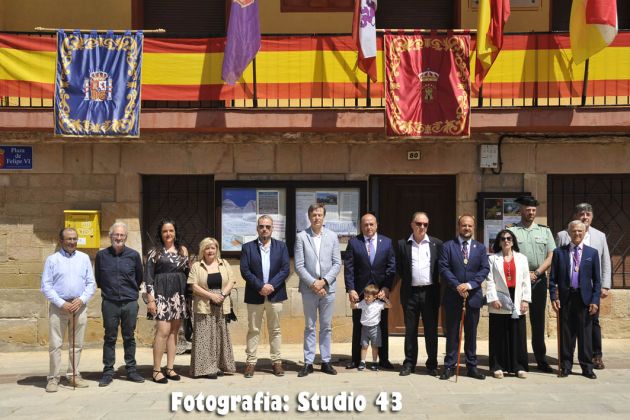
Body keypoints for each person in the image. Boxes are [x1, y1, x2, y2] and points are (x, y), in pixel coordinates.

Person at [556, 203, 611, 370]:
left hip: (591, 289)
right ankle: (568, 360)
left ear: (592, 217)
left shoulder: (600, 236)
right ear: (576, 215)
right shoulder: (563, 235)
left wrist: (605, 285)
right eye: (582, 214)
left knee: (592, 323)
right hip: (569, 290)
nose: (585, 217)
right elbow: (558, 262)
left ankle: (596, 356)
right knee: (569, 326)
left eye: (588, 214)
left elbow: (605, 261)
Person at [41, 227, 96, 392]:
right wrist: (61, 303)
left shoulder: (84, 258)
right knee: (55, 344)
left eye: (74, 239)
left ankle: (73, 375)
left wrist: (81, 299)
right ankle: (53, 378)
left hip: (79, 306)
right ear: (61, 241)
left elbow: (91, 283)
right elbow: (46, 286)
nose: (72, 242)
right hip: (59, 307)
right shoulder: (52, 260)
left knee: (77, 344)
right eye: (69, 239)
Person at [508, 195, 556, 373]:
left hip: (538, 280)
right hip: (518, 280)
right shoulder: (512, 231)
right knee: (516, 318)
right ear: (521, 210)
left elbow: (551, 255)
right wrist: (524, 274)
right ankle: (516, 359)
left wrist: (537, 273)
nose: (531, 212)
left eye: (533, 210)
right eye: (528, 209)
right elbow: (507, 254)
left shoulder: (545, 231)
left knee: (538, 321)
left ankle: (541, 359)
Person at [438, 214, 489, 380]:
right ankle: (449, 366)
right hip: (453, 296)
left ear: (473, 228)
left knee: (471, 334)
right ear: (458, 227)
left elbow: (484, 269)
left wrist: (470, 284)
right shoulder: (448, 246)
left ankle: (472, 366)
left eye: (470, 226)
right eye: (464, 225)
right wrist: (457, 285)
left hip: (473, 297)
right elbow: (443, 268)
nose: (467, 228)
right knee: (452, 333)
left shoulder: (480, 248)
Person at [94, 222, 145, 386]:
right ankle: (108, 371)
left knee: (129, 337)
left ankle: (131, 370)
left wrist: (130, 292)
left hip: (129, 302)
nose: (119, 237)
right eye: (116, 234)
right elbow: (98, 279)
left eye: (122, 235)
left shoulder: (134, 255)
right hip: (110, 302)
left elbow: (139, 277)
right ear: (110, 236)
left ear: (126, 237)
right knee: (110, 337)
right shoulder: (101, 256)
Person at [294, 203, 342, 377]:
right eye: (314, 215)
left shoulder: (332, 236)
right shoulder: (301, 237)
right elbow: (299, 266)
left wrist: (324, 282)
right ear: (309, 217)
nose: (317, 218)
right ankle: (308, 362)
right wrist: (314, 284)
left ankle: (326, 361)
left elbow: (337, 263)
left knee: (326, 327)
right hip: (309, 289)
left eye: (319, 215)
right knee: (310, 326)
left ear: (324, 217)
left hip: (328, 288)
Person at [240, 215, 290, 378]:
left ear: (272, 228)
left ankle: (276, 362)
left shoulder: (281, 246)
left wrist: (271, 286)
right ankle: (250, 362)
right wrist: (260, 286)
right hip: (255, 294)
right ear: (257, 228)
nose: (264, 229)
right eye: (261, 226)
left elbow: (285, 269)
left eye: (268, 227)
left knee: (275, 329)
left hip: (275, 295)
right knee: (253, 329)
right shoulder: (248, 247)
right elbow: (245, 270)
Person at [344, 213, 396, 370]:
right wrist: (351, 289)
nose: (368, 227)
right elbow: (349, 268)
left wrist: (386, 287)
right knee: (358, 326)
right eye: (365, 224)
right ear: (361, 226)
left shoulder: (386, 242)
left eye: (371, 224)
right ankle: (356, 360)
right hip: (360, 292)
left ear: (377, 225)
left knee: (382, 326)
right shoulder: (354, 242)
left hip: (380, 292)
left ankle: (383, 359)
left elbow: (391, 267)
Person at [550, 220, 601, 379]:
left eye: (580, 231)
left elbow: (597, 281)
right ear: (569, 233)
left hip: (584, 298)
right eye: (574, 231)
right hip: (566, 298)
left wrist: (595, 300)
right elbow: (552, 279)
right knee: (566, 334)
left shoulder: (592, 253)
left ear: (585, 232)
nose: (577, 233)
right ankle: (566, 366)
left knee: (585, 334)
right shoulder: (559, 252)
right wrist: (554, 297)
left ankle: (587, 367)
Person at [396, 211, 443, 377]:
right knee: (410, 330)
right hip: (410, 293)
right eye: (418, 224)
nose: (422, 227)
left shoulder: (436, 244)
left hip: (430, 293)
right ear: (412, 224)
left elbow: (441, 267)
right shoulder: (402, 244)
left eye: (425, 224)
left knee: (431, 330)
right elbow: (399, 268)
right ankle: (409, 363)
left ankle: (432, 364)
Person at [145, 218, 189, 384]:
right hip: (161, 295)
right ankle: (156, 370)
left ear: (175, 232)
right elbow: (148, 277)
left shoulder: (182, 250)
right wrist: (151, 300)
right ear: (160, 233)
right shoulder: (154, 252)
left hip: (178, 294)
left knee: (174, 332)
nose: (168, 234)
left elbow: (188, 272)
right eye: (165, 231)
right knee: (163, 331)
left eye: (171, 230)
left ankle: (170, 368)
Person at [485, 229, 531, 379]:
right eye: (503, 239)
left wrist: (525, 299)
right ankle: (497, 366)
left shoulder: (522, 258)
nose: (506, 241)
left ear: (513, 241)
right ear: (499, 242)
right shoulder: (493, 259)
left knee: (517, 333)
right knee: (498, 334)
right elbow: (490, 280)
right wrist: (493, 298)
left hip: (517, 297)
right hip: (499, 298)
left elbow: (526, 281)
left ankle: (519, 367)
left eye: (509, 238)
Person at [188, 237, 236, 379]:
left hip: (221, 303)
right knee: (204, 337)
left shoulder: (224, 263)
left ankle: (217, 365)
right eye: (207, 248)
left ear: (217, 250)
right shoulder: (197, 266)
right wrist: (211, 296)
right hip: (204, 304)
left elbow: (231, 280)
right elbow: (193, 286)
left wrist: (222, 295)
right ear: (202, 251)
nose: (210, 251)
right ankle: (205, 368)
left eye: (213, 248)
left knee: (219, 335)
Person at [351, 284, 392, 371]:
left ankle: (374, 362)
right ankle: (362, 362)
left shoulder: (378, 304)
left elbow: (389, 306)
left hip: (375, 329)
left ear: (375, 297)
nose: (366, 298)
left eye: (368, 297)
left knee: (375, 346)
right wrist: (353, 301)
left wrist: (385, 298)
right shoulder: (363, 302)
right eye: (365, 296)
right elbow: (353, 307)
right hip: (365, 328)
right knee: (364, 346)